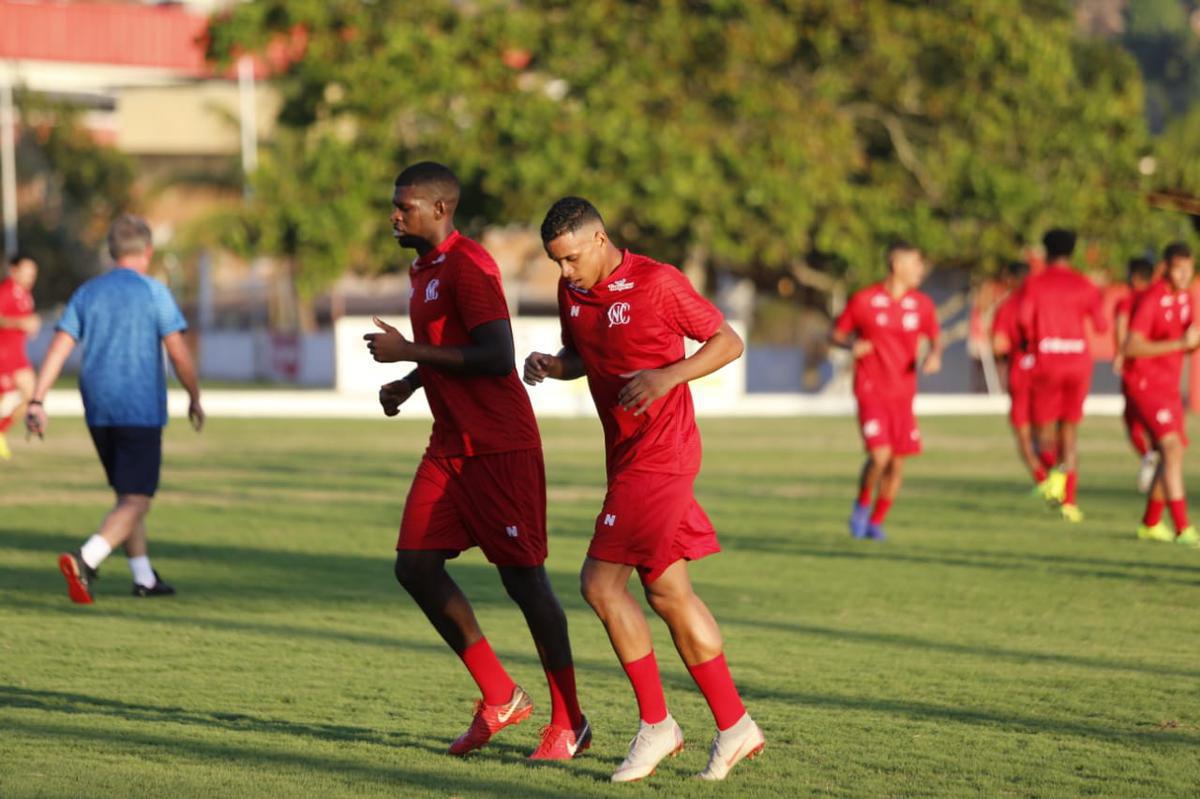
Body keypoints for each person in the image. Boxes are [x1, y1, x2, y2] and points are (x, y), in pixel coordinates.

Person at [524, 196, 763, 783]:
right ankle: (736, 727)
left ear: (600, 240)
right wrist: (556, 367)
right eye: (556, 262)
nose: (564, 271)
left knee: (599, 584)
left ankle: (658, 726)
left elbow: (728, 342)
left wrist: (667, 375)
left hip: (663, 455)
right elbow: (583, 353)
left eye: (572, 258)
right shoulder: (573, 294)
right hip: (626, 457)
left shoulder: (659, 282)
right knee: (667, 593)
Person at [363, 162, 587, 760]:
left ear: (439, 209)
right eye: (394, 204)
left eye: (404, 206)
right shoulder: (423, 270)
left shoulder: (470, 264)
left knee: (524, 581)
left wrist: (407, 351)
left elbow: (495, 355)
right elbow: (452, 345)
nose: (394, 215)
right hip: (450, 444)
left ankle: (571, 721)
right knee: (414, 565)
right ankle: (501, 695)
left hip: (499, 445)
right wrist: (411, 381)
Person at [25, 214, 204, 603]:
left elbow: (60, 346)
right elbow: (177, 351)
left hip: (99, 409)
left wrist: (37, 399)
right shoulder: (154, 293)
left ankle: (144, 577)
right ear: (148, 251)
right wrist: (194, 395)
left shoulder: (88, 293)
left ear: (111, 251)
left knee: (127, 495)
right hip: (138, 408)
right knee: (138, 497)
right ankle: (86, 558)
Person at [831, 242, 942, 541]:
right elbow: (837, 335)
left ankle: (876, 522)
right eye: (916, 264)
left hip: (904, 394)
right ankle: (862, 505)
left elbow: (934, 337)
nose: (921, 270)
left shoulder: (922, 305)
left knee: (896, 463)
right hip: (870, 390)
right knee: (880, 456)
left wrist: (934, 355)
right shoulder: (864, 300)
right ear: (897, 265)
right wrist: (851, 346)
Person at [1016, 229, 1106, 523]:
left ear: (1045, 250)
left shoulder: (1034, 284)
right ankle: (1070, 502)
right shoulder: (1084, 284)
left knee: (1043, 433)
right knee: (1070, 433)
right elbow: (1102, 325)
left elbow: (1023, 322)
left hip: (1048, 362)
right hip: (1079, 363)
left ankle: (1055, 477)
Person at [1121, 242, 1200, 546]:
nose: (1183, 274)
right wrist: (1180, 343)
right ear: (1166, 267)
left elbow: (1187, 341)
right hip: (1144, 384)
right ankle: (1182, 527)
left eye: (1189, 269)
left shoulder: (1186, 298)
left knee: (1173, 451)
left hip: (1168, 387)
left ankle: (1151, 522)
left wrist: (1189, 342)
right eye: (1178, 268)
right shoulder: (1152, 299)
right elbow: (1131, 346)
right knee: (1171, 447)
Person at [990, 260, 1045, 491]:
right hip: (1045, 374)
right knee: (1048, 431)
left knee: (1024, 434)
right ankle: (1057, 476)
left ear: (1011, 279)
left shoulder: (1008, 306)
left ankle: (1043, 481)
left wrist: (1004, 361)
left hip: (1020, 375)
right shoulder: (1044, 303)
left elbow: (998, 345)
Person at [1113, 257, 1162, 493]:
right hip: (1159, 370)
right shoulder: (1159, 300)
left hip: (1136, 371)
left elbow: (1122, 326)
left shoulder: (1129, 300)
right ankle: (1153, 458)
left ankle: (1149, 457)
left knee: (1133, 422)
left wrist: (1120, 355)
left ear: (1133, 276)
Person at [0, 253, 40, 460]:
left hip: (17, 356)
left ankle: (1, 431)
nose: (31, 277)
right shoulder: (5, 291)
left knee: (33, 396)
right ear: (13, 270)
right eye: (27, 272)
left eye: (33, 273)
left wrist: (31, 325)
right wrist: (19, 323)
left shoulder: (24, 294)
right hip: (3, 355)